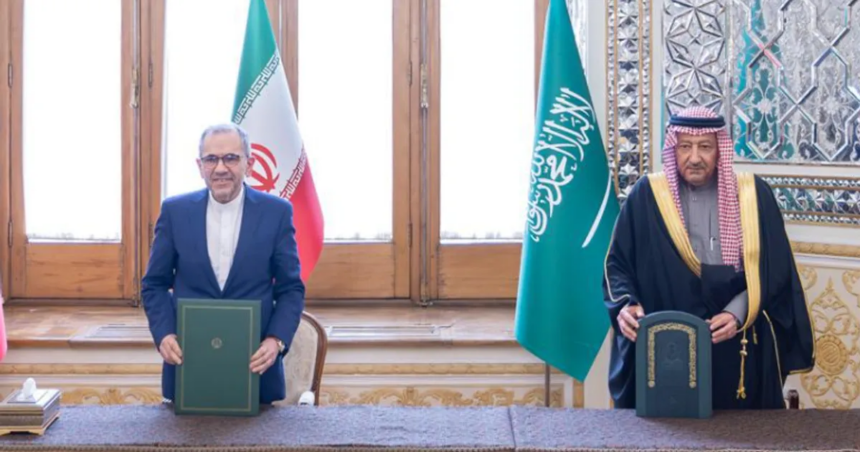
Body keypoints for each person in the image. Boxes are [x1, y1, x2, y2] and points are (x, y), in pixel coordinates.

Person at [603, 106, 815, 409]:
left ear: (720, 150)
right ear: (673, 149)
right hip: (666, 339)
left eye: (705, 146)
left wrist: (738, 313)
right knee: (666, 427)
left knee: (743, 430)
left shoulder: (753, 195)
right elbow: (617, 265)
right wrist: (627, 305)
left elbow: (775, 270)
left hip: (736, 337)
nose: (694, 157)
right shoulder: (647, 195)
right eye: (685, 146)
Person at [141, 123, 305, 404]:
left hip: (256, 372)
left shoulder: (276, 212)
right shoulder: (175, 212)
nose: (220, 168)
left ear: (249, 164)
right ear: (200, 166)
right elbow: (154, 285)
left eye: (231, 158)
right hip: (188, 367)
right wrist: (164, 334)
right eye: (211, 159)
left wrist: (276, 340)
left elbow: (291, 289)